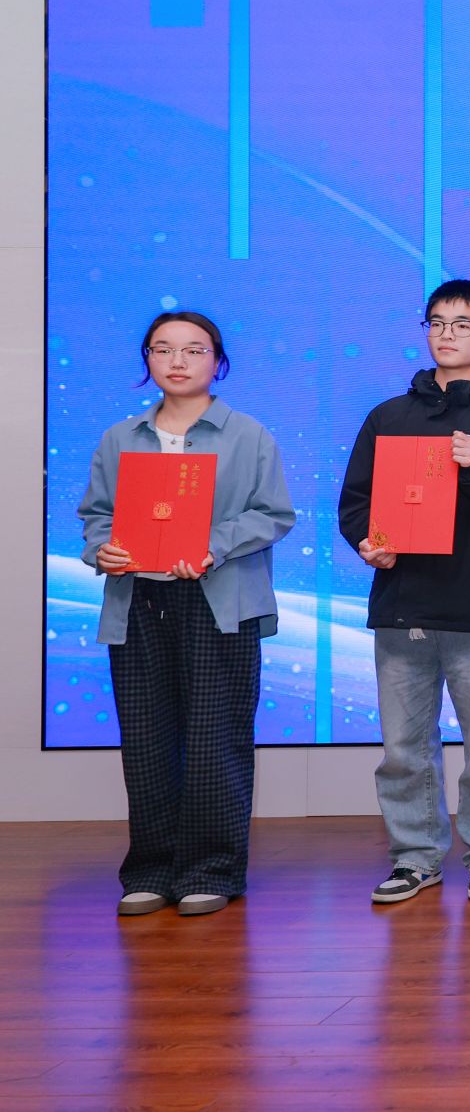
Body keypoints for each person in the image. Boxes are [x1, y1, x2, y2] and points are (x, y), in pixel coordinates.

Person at [78, 311, 296, 917]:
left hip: (220, 601)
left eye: (194, 349)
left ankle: (211, 869)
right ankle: (150, 869)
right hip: (138, 601)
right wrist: (103, 549)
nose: (177, 361)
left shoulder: (248, 434)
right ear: (146, 359)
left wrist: (212, 544)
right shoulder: (120, 438)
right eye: (163, 349)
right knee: (146, 740)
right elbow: (96, 516)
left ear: (217, 362)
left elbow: (273, 514)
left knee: (214, 739)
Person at [337, 280, 470, 905]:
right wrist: (369, 542)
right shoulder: (388, 417)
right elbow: (355, 503)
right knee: (404, 751)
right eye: (437, 322)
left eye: (463, 324)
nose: (447, 333)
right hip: (403, 606)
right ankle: (415, 855)